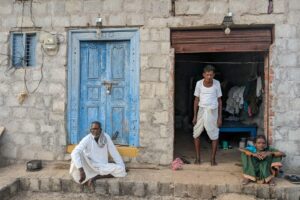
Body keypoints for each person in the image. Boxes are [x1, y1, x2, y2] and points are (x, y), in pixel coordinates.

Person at [69, 121, 126, 186]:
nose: (95, 131)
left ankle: (96, 177)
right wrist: (81, 170)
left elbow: (114, 152)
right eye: (93, 129)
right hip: (90, 165)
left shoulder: (106, 137)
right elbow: (74, 153)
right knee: (76, 155)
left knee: (121, 169)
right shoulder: (87, 139)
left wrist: (121, 165)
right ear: (90, 130)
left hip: (102, 166)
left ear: (100, 130)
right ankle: (91, 175)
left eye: (96, 129)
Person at [192, 65, 222, 166]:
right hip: (201, 110)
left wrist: (219, 118)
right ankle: (197, 158)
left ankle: (213, 159)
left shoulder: (217, 83)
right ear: (204, 75)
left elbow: (219, 101)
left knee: (214, 135)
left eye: (211, 75)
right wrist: (195, 116)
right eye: (207, 75)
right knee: (196, 133)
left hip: (213, 111)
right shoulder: (199, 84)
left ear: (214, 75)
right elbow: (196, 100)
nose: (209, 77)